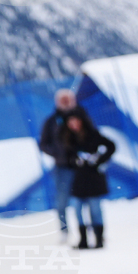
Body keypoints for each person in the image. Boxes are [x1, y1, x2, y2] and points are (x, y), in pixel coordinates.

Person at [39, 89, 90, 242]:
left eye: (68, 99)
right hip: (62, 167)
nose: (66, 103)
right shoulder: (52, 121)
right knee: (62, 201)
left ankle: (90, 228)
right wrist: (58, 153)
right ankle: (64, 231)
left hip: (82, 166)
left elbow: (92, 136)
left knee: (86, 200)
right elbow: (44, 143)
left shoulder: (82, 117)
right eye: (63, 100)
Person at [59, 110, 115, 249]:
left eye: (76, 120)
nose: (74, 124)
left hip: (93, 178)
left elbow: (111, 146)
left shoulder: (92, 134)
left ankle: (99, 239)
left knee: (95, 209)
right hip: (78, 179)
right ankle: (83, 240)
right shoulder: (67, 137)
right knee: (77, 208)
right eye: (70, 121)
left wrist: (97, 160)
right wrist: (74, 161)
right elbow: (66, 157)